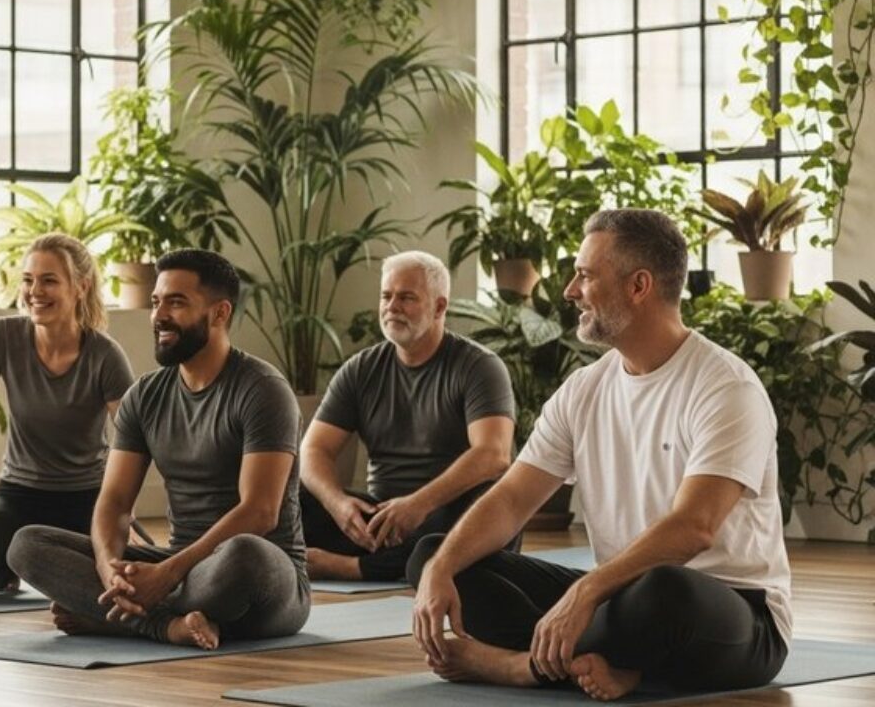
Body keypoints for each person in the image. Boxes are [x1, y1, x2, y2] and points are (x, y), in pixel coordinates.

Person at [409, 209, 791, 701]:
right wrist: (440, 570)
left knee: (665, 591)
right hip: (620, 599)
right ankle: (606, 664)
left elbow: (694, 527)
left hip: (734, 614)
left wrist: (586, 594)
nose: (570, 290)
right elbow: (511, 499)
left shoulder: (725, 388)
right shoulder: (584, 390)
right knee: (438, 554)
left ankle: (525, 666)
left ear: (639, 286)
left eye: (586, 276)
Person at [8, 249, 310, 650]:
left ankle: (118, 621)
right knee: (27, 544)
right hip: (180, 567)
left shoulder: (263, 390)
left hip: (260, 581)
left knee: (245, 555)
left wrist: (166, 576)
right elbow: (114, 501)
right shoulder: (145, 396)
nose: (159, 315)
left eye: (177, 302)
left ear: (220, 313)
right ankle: (168, 626)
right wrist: (108, 572)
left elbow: (260, 511)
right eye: (156, 302)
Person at [0, 234, 134, 602]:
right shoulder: (2, 336)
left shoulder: (105, 355)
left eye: (49, 280)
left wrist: (119, 511)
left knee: (111, 583)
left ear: (80, 287)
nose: (34, 291)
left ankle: (26, 561)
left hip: (85, 498)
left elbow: (132, 440)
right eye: (28, 280)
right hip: (18, 496)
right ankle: (11, 565)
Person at [300, 251, 515, 582]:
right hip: (382, 521)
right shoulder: (360, 369)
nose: (392, 307)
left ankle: (351, 568)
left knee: (489, 500)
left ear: (440, 307)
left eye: (407, 298)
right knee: (289, 492)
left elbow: (494, 455)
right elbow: (313, 450)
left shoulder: (479, 367)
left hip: (447, 514)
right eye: (386, 296)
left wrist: (419, 505)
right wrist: (339, 505)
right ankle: (386, 560)